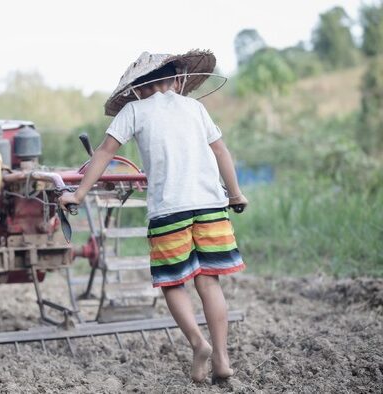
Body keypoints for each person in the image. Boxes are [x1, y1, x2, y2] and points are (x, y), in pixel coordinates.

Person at [59, 50, 248, 383]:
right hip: (210, 205)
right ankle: (221, 358)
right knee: (209, 281)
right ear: (178, 80)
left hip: (169, 210)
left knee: (173, 282)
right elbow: (220, 150)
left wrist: (77, 194)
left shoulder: (134, 111)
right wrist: (235, 194)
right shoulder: (195, 108)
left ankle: (197, 342)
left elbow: (104, 153)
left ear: (138, 89)